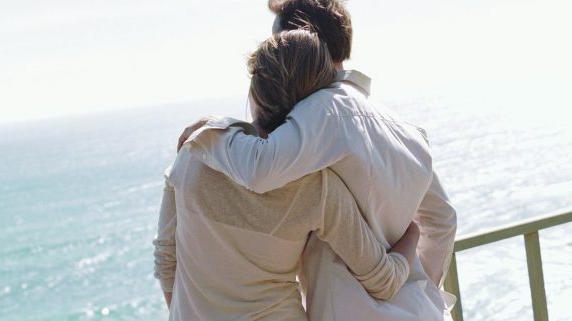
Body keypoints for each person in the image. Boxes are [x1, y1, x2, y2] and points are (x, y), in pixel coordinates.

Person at [178, 1, 458, 320]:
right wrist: (415, 292)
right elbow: (442, 219)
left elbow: (259, 169)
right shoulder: (407, 129)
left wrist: (212, 131)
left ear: (304, 45)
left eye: (278, 43)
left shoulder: (320, 113)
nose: (276, 52)